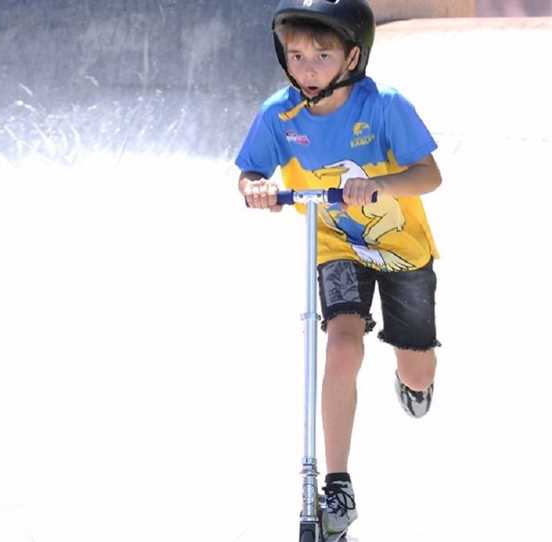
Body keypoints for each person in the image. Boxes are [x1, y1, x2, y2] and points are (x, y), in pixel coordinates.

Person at [235, 0, 441, 538]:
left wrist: (382, 184)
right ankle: (338, 485)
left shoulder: (385, 106)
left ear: (353, 56)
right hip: (334, 243)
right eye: (297, 55)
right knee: (343, 345)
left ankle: (413, 381)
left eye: (321, 55)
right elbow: (251, 169)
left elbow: (429, 175)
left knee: (418, 370)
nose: (306, 68)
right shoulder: (279, 113)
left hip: (402, 248)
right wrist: (254, 187)